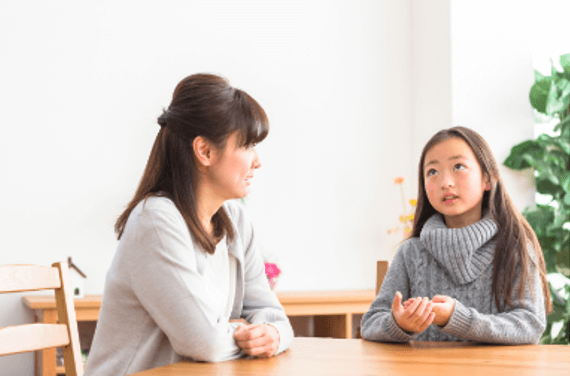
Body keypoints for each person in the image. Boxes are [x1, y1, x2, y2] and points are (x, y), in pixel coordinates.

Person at [84, 74, 293, 376]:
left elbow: (275, 318)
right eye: (247, 146)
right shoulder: (155, 221)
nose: (257, 161)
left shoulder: (236, 221)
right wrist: (242, 332)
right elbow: (204, 342)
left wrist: (271, 336)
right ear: (205, 151)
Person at [361, 126, 551, 344]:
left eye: (458, 166)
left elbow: (530, 324)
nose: (445, 183)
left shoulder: (514, 247)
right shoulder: (411, 253)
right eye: (432, 172)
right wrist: (399, 324)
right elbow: (371, 323)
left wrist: (459, 319)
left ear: (487, 179)